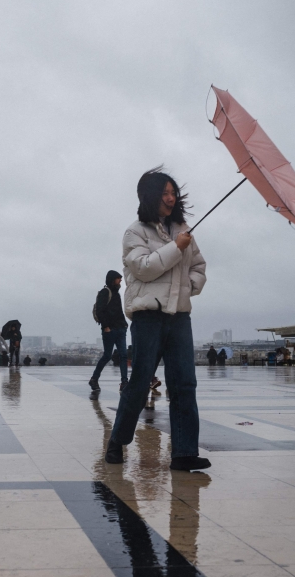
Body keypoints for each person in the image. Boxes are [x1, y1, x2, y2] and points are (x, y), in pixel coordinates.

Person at [106, 168, 211, 472]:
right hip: (148, 316)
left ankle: (184, 452)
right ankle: (117, 440)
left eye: (173, 192)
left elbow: (199, 266)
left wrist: (187, 287)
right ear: (150, 196)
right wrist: (176, 247)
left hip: (179, 316)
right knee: (139, 383)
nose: (170, 197)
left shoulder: (183, 229)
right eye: (164, 192)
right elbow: (144, 268)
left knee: (184, 384)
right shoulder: (135, 232)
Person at [89, 270, 129, 392]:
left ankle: (124, 382)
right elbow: (100, 310)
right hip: (110, 330)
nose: (120, 280)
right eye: (118, 278)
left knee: (123, 355)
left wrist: (124, 324)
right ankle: (94, 379)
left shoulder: (116, 293)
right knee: (107, 356)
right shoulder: (105, 292)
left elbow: (118, 311)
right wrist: (106, 326)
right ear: (112, 279)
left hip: (120, 329)